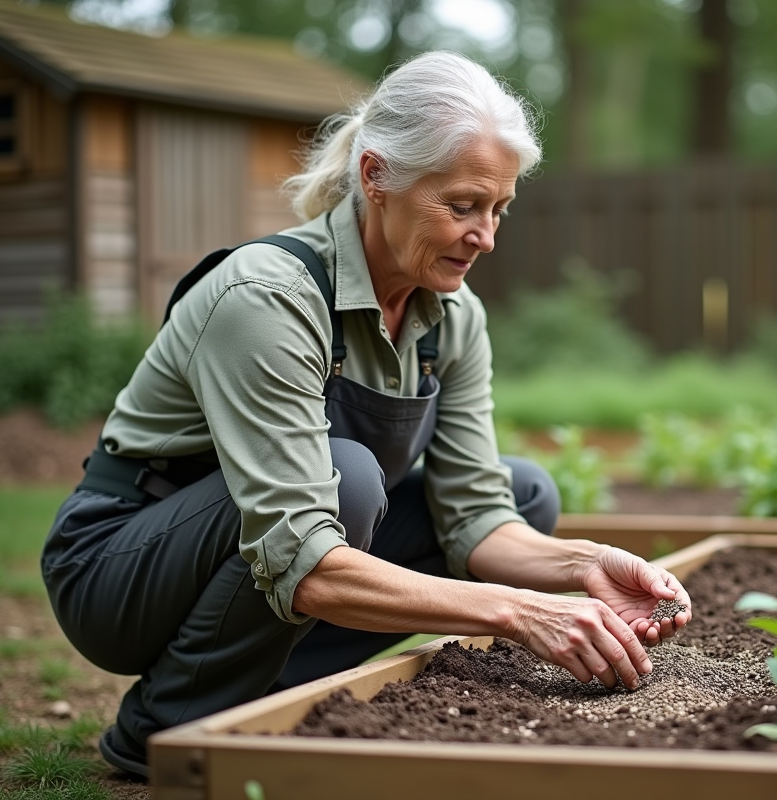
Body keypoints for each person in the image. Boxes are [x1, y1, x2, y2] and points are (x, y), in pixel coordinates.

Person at [40, 51, 692, 779]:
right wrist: (521, 612)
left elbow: (476, 516)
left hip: (274, 549)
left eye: (499, 208)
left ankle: (270, 691)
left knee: (527, 493)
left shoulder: (452, 318)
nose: (488, 237)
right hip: (120, 566)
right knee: (345, 478)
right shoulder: (269, 296)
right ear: (376, 176)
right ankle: (170, 721)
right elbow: (302, 554)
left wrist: (585, 565)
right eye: (463, 205)